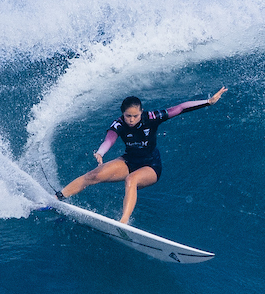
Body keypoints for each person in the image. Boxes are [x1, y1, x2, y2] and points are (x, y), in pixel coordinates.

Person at [56, 87, 228, 224]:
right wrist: (101, 153)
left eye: (135, 116)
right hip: (129, 160)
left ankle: (123, 223)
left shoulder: (151, 118)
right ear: (122, 114)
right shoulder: (119, 124)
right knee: (93, 175)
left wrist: (208, 102)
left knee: (131, 180)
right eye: (127, 116)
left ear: (142, 112)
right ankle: (58, 198)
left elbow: (180, 108)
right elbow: (109, 139)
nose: (131, 119)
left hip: (151, 166)